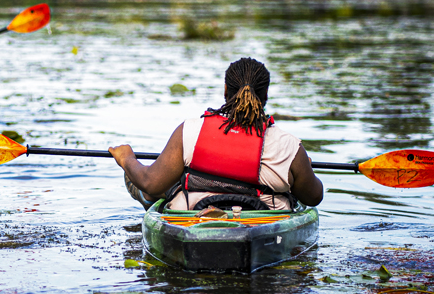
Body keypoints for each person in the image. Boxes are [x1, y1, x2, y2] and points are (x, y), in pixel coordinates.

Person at [109, 57, 323, 212]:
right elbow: (313, 197)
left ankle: (149, 200)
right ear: (266, 94)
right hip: (261, 223)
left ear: (225, 92)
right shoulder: (289, 146)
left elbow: (150, 181)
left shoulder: (190, 130)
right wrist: (304, 168)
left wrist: (126, 158)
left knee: (156, 182)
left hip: (195, 217)